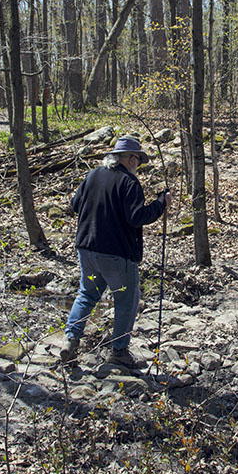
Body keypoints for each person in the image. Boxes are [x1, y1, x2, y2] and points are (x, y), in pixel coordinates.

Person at [61, 136, 172, 369]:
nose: (138, 167)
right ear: (131, 159)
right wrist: (161, 204)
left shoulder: (92, 175)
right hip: (115, 257)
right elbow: (137, 217)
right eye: (138, 161)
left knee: (87, 294)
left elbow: (74, 205)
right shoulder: (129, 182)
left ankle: (71, 340)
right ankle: (119, 352)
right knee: (126, 299)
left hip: (87, 250)